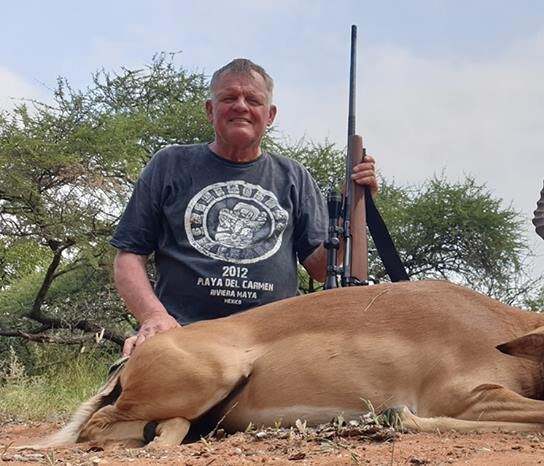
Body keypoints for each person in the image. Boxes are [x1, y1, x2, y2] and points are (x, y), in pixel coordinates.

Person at [110, 58, 378, 356]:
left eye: (253, 100)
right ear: (210, 110)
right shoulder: (169, 163)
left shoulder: (293, 176)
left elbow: (318, 268)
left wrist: (352, 208)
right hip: (183, 336)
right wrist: (154, 317)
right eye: (229, 98)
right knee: (135, 392)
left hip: (275, 343)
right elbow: (128, 256)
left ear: (270, 115)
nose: (241, 106)